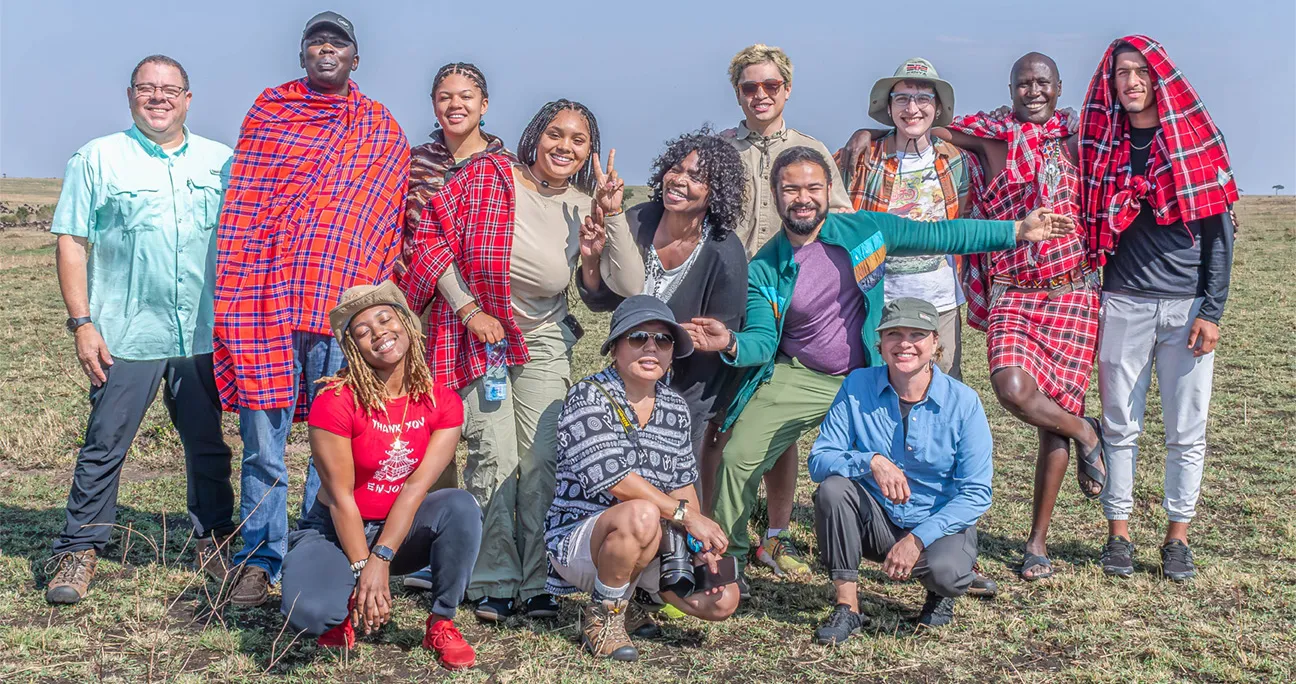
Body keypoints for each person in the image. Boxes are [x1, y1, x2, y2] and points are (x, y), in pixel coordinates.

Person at [683, 146, 1071, 590]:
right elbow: (762, 339)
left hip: (870, 373)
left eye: (813, 187)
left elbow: (940, 235)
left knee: (920, 455)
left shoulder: (865, 230)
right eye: (791, 189)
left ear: (829, 190)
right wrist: (731, 342)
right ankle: (729, 559)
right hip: (802, 374)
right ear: (775, 195)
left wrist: (1017, 230)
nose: (803, 198)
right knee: (737, 456)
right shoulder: (765, 267)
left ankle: (947, 551)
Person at [402, 99, 643, 622]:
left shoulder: (584, 204)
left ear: (590, 151)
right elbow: (432, 241)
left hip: (543, 342)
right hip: (477, 337)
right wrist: (468, 310)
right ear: (536, 135)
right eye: (555, 133)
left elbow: (630, 284)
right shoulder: (488, 177)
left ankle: (537, 580)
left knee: (539, 461)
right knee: (493, 456)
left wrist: (613, 212)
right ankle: (493, 576)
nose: (564, 146)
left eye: (578, 140)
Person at [215, 11, 410, 606]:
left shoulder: (379, 128)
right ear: (303, 54)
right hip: (266, 302)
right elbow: (245, 204)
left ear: (356, 58)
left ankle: (313, 550)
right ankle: (257, 559)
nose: (327, 50)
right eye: (316, 42)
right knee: (263, 444)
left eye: (338, 43)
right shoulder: (270, 112)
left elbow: (386, 220)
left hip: (341, 313)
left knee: (334, 443)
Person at [44, 55, 236, 605]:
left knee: (207, 444)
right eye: (147, 88)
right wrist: (82, 323)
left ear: (188, 99)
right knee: (105, 442)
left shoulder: (221, 161)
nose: (158, 98)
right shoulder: (97, 158)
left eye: (170, 89)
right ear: (130, 96)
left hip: (201, 332)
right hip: (125, 335)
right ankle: (79, 548)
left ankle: (216, 540)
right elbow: (72, 241)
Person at [1078, 35, 1237, 582]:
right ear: (1111, 82)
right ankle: (1118, 534)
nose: (1131, 81)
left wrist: (1212, 311)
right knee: (1120, 424)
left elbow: (1219, 237)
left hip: (1187, 308)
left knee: (1186, 429)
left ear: (1161, 78)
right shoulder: (1101, 143)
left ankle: (1177, 539)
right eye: (1121, 72)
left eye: (1141, 71)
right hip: (1123, 301)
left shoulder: (1196, 142)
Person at [279, 282, 479, 670]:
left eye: (386, 319)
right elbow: (340, 498)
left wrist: (381, 558)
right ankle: (343, 602)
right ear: (354, 347)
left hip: (400, 529)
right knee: (311, 613)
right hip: (335, 529)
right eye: (363, 331)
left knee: (460, 505)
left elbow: (415, 487)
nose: (379, 333)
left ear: (407, 323)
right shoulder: (335, 401)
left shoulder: (442, 401)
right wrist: (362, 567)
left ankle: (441, 622)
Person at [710, 43, 853, 584]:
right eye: (750, 87)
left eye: (771, 85)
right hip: (730, 298)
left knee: (780, 427)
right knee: (722, 422)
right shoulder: (721, 149)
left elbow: (839, 220)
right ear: (738, 93)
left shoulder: (810, 150)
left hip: (792, 304)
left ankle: (775, 533)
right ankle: (719, 536)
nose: (761, 95)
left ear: (787, 89)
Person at [546, 296, 739, 661]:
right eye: (638, 337)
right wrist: (686, 517)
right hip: (581, 540)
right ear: (615, 348)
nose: (651, 347)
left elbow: (682, 482)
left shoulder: (674, 407)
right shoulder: (589, 396)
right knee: (641, 513)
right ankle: (604, 616)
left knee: (723, 598)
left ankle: (630, 599)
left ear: (672, 354)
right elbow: (615, 480)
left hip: (651, 537)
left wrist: (698, 543)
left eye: (663, 340)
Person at [809, 298, 992, 644]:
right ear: (880, 343)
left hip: (936, 526)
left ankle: (940, 593)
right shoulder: (856, 386)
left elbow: (977, 493)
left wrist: (917, 539)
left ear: (935, 342)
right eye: (894, 333)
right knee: (833, 489)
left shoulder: (965, 402)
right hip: (878, 519)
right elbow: (819, 459)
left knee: (947, 572)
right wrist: (871, 461)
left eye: (916, 334)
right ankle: (848, 607)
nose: (905, 344)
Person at [401, 61, 515, 592]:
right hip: (422, 312)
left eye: (466, 96)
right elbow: (407, 234)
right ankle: (433, 546)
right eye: (445, 96)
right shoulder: (416, 163)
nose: (455, 105)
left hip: (484, 315)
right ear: (433, 105)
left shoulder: (505, 167)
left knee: (487, 434)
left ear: (484, 104)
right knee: (429, 431)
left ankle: (483, 553)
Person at [578, 129, 748, 456]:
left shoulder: (725, 253)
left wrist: (675, 410)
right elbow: (602, 300)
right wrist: (591, 259)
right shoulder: (637, 221)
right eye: (676, 169)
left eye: (696, 177)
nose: (679, 180)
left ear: (716, 192)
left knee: (670, 466)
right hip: (629, 374)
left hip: (690, 387)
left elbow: (715, 349)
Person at [836, 58, 973, 380]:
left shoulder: (955, 160)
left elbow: (964, 215)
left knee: (943, 385)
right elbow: (817, 188)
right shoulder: (862, 157)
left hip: (940, 300)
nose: (912, 108)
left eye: (923, 98)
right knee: (880, 386)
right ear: (889, 106)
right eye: (902, 98)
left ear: (937, 108)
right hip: (880, 299)